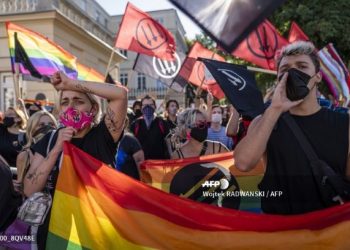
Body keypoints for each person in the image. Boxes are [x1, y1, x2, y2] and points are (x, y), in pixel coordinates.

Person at [234, 41, 350, 215]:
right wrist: (275, 109)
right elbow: (243, 163)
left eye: (302, 66)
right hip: (281, 233)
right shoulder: (264, 121)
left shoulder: (344, 123)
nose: (292, 72)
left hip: (330, 233)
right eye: (285, 69)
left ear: (317, 76)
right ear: (278, 78)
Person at [23, 71, 127, 249]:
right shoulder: (49, 140)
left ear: (93, 109)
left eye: (78, 101)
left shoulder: (103, 136)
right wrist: (57, 148)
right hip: (54, 233)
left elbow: (120, 95)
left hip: (93, 232)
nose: (71, 107)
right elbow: (29, 189)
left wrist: (69, 84)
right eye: (65, 102)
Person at [15, 111, 58, 194]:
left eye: (51, 124)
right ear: (31, 129)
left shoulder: (62, 151)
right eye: (41, 125)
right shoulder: (24, 156)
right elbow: (21, 187)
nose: (47, 127)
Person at [130, 95, 170, 160]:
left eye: (151, 105)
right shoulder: (135, 124)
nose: (148, 107)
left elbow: (169, 144)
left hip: (159, 165)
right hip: (141, 166)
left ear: (155, 107)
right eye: (145, 105)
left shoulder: (162, 123)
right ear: (141, 108)